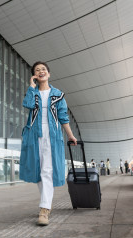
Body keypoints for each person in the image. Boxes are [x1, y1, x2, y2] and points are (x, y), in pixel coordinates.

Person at [19, 61, 77, 227]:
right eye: (37, 70)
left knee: (47, 170)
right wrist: (31, 86)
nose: (41, 71)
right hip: (33, 135)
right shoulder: (33, 92)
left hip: (52, 136)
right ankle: (46, 202)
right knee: (38, 171)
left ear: (49, 74)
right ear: (35, 75)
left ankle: (44, 209)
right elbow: (27, 105)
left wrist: (71, 136)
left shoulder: (58, 94)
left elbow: (63, 117)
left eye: (43, 69)